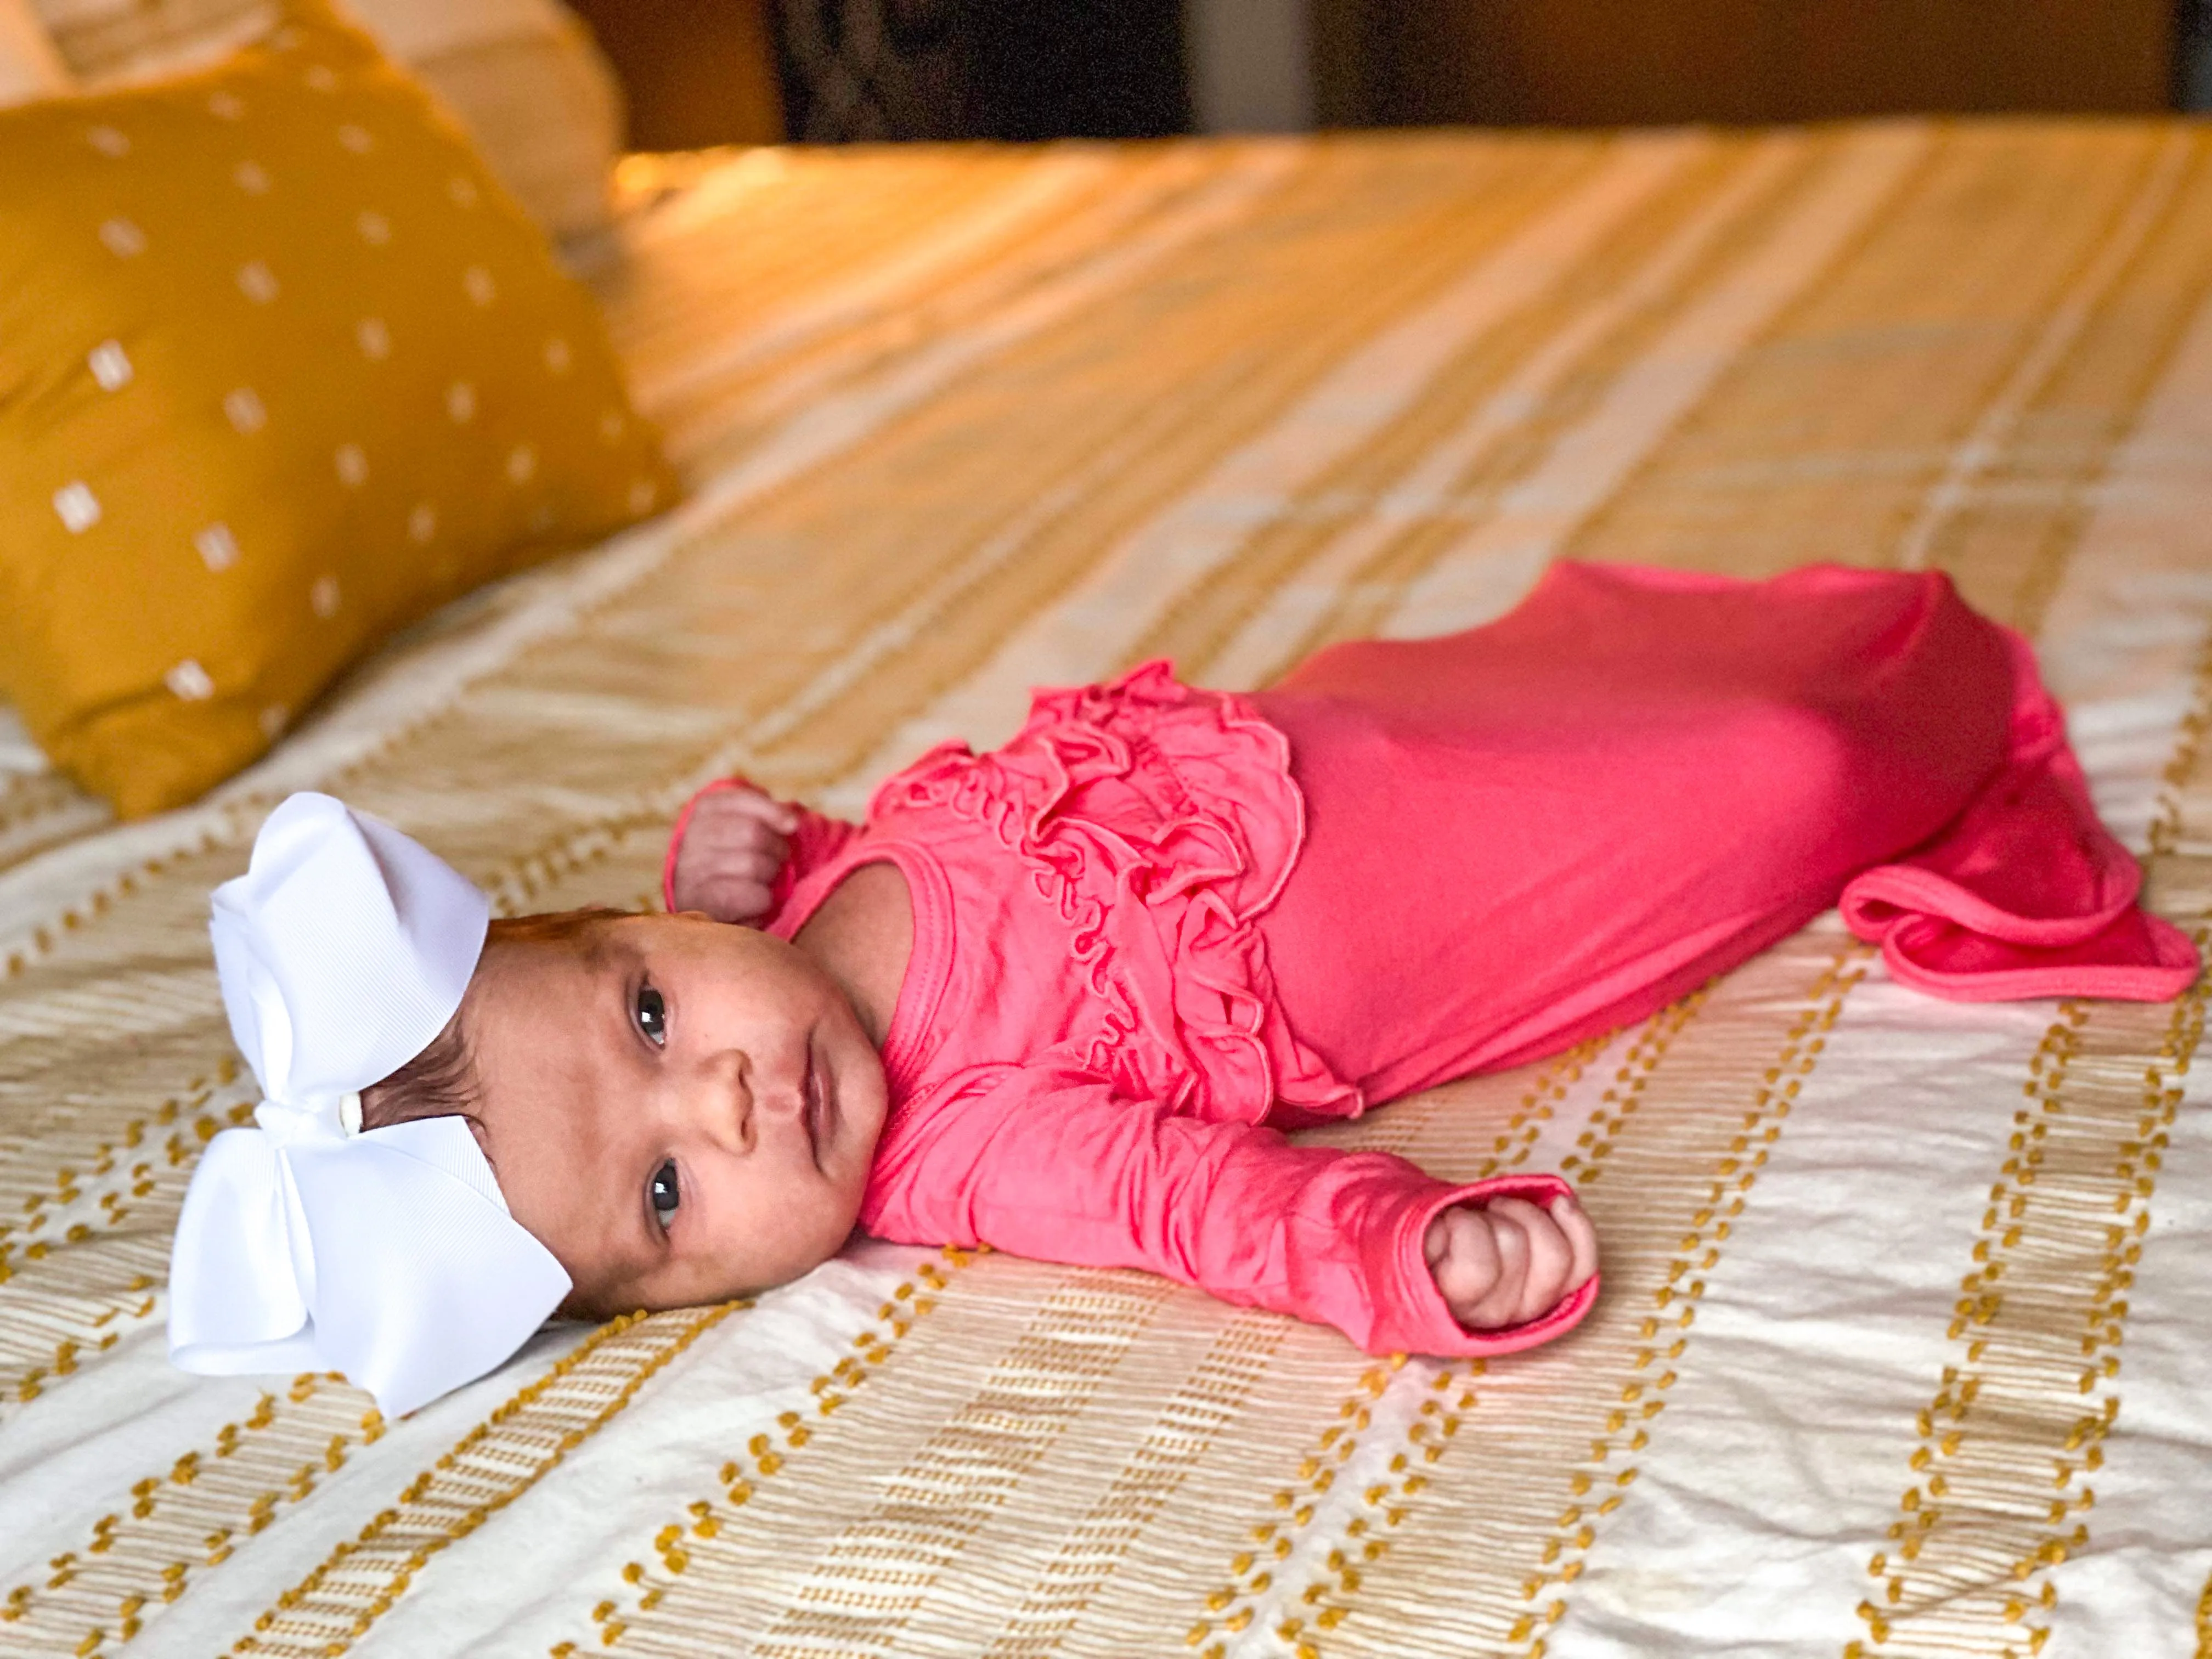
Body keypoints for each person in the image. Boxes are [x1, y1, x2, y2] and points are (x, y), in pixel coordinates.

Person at [168, 562, 2199, 1416]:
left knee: (1546, 675)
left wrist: (741, 850)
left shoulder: (795, 908)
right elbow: (1192, 1209)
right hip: (1447, 920)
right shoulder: (959, 1149)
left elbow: (767, 858)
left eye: (641, 1020)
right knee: (1787, 770)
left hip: (1348, 743)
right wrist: (1400, 1254)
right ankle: (1928, 748)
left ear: (631, 921)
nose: (728, 1101)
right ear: (674, 1291)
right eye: (672, 1202)